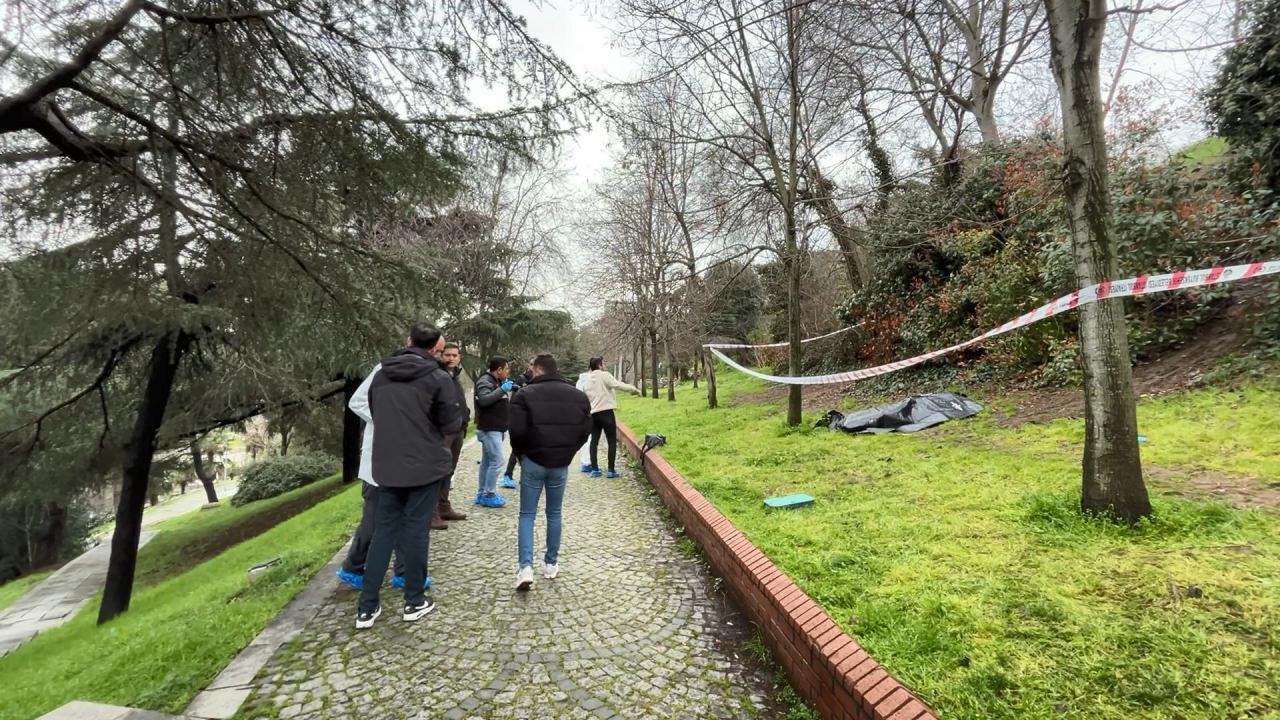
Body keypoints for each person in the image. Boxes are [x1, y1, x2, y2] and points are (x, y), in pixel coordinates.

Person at [356, 322, 461, 629]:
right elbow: (451, 422)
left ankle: (367, 608)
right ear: (435, 349)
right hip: (424, 465)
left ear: (408, 340)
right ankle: (414, 601)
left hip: (386, 465)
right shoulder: (438, 378)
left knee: (383, 532)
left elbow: (374, 412)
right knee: (415, 530)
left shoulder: (381, 374)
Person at [508, 353, 593, 591]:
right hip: (561, 463)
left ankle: (525, 567)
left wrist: (522, 455)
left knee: (527, 514)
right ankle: (551, 563)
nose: (529, 370)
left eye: (531, 367)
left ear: (538, 369)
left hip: (533, 460)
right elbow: (586, 429)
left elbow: (515, 430)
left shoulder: (524, 395)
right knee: (554, 512)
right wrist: (569, 452)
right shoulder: (578, 396)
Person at [581, 356, 640, 478]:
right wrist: (633, 389)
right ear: (599, 365)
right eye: (603, 363)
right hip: (606, 413)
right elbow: (617, 385)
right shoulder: (604, 375)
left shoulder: (586, 381)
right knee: (611, 441)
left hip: (593, 414)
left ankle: (595, 470)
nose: (605, 365)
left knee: (594, 441)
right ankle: (611, 470)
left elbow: (584, 399)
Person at [436, 342, 470, 528]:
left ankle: (443, 506)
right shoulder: (438, 375)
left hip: (458, 429)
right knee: (438, 471)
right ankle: (432, 512)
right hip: (444, 431)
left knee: (449, 470)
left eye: (454, 355)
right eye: (447, 355)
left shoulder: (455, 376)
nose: (450, 358)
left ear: (459, 357)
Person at [473, 356, 515, 508]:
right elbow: (484, 400)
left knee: (487, 462)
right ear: (499, 369)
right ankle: (489, 494)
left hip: (494, 428)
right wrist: (502, 390)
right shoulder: (485, 381)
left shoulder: (495, 382)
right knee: (497, 462)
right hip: (490, 429)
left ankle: (481, 493)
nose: (508, 372)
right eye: (507, 369)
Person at [500, 358, 535, 490]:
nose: (532, 367)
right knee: (517, 448)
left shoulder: (538, 380)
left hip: (532, 419)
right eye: (531, 364)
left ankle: (525, 476)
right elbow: (515, 400)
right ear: (528, 366)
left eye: (535, 365)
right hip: (519, 418)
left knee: (529, 449)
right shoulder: (522, 379)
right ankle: (508, 474)